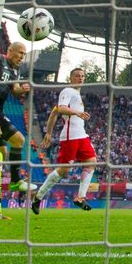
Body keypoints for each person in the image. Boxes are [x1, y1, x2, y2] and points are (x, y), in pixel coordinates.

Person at [31, 68, 95, 214]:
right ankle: (38, 197)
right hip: (70, 136)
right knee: (64, 170)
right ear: (70, 78)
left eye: (82, 76)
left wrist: (48, 132)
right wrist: (77, 112)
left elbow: (54, 112)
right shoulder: (67, 91)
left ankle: (80, 198)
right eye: (77, 76)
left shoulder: (75, 94)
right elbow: (61, 108)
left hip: (81, 135)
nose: (80, 78)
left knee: (91, 162)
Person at [0, 42, 36, 192]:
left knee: (1, 153)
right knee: (19, 140)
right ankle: (15, 181)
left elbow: (15, 91)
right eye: (20, 52)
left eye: (24, 54)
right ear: (10, 50)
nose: (22, 56)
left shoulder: (16, 70)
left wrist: (23, 89)